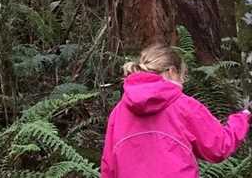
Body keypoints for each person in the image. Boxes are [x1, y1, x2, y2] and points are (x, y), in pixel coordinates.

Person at [100, 43, 250, 177]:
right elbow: (219, 147)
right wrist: (242, 118)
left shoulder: (118, 112)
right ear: (171, 71)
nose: (183, 81)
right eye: (182, 75)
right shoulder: (184, 105)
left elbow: (108, 168)